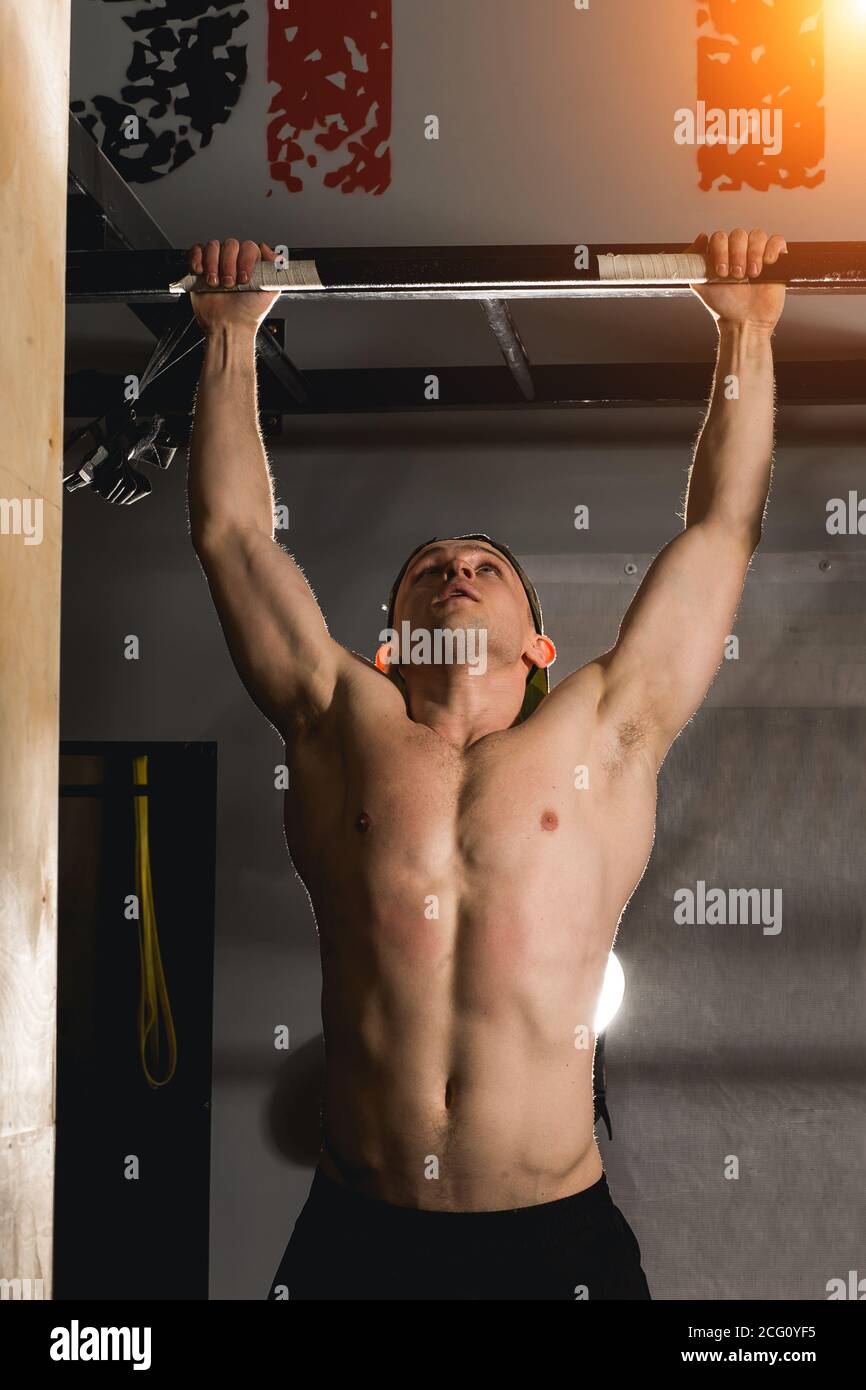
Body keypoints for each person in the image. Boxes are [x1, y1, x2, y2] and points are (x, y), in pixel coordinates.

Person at [185, 229, 788, 1300]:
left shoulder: (602, 734)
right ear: (389, 643)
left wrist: (740, 326)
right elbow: (233, 534)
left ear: (539, 645)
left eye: (483, 568)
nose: (453, 574)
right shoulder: (337, 721)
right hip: (360, 1230)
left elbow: (721, 529)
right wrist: (231, 341)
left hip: (550, 1239)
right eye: (428, 569)